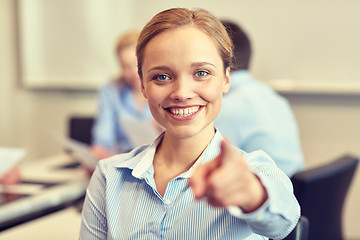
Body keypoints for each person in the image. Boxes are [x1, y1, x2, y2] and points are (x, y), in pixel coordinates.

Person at [80, 8, 300, 239]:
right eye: (161, 77)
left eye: (202, 73)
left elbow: (284, 221)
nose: (182, 93)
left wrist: (252, 195)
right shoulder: (109, 176)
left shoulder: (252, 169)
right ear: (143, 85)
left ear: (226, 79)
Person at [215, 20, 304, 177]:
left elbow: (207, 163)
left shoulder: (227, 107)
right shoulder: (270, 95)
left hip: (266, 192)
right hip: (295, 191)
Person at [90, 31, 155, 160]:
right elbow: (103, 139)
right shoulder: (111, 90)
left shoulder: (162, 89)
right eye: (125, 66)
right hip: (120, 159)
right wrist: (99, 152)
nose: (132, 73)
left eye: (136, 65)